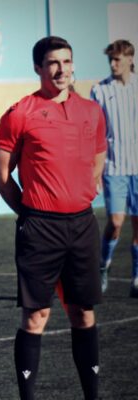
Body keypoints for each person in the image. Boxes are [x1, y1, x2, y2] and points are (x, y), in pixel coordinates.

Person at [0, 36, 106, 400]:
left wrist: (81, 193)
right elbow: (2, 176)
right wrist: (30, 212)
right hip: (40, 228)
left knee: (83, 313)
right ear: (38, 68)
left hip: (83, 225)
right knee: (36, 316)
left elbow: (98, 160)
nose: (61, 69)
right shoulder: (20, 113)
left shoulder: (91, 111)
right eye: (53, 63)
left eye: (66, 61)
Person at [90, 39, 138, 297]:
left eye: (117, 59)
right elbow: (94, 133)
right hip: (114, 168)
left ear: (130, 59)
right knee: (116, 222)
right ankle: (103, 265)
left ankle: (136, 278)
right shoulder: (100, 90)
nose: (113, 64)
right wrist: (94, 169)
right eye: (110, 59)